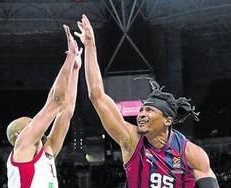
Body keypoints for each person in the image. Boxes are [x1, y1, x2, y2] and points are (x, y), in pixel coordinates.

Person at [74, 14, 219, 188]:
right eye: (142, 110)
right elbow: (97, 95)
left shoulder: (191, 153)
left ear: (168, 120)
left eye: (149, 110)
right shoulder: (130, 138)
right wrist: (90, 46)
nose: (141, 114)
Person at [6, 25, 82, 188]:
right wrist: (69, 58)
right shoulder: (23, 147)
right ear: (20, 134)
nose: (35, 122)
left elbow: (66, 112)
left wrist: (75, 69)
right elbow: (55, 101)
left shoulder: (47, 150)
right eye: (30, 123)